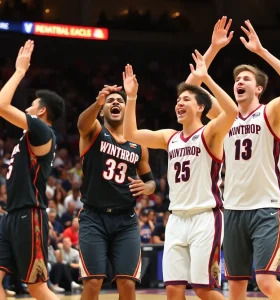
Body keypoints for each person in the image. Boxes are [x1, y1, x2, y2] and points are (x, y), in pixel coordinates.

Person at [122, 48, 238, 299]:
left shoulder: (210, 134)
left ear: (200, 107)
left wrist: (205, 78)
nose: (179, 103)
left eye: (186, 99)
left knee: (203, 289)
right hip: (176, 219)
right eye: (177, 101)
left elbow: (231, 113)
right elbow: (130, 134)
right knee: (173, 290)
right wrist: (131, 97)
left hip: (205, 217)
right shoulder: (169, 137)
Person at [220, 20, 280, 300]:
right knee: (236, 287)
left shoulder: (271, 113)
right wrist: (213, 50)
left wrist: (262, 52)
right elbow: (192, 92)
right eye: (237, 79)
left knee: (266, 282)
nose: (239, 82)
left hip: (266, 207)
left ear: (259, 89)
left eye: (246, 79)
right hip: (232, 208)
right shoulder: (224, 118)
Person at [77, 84, 156, 300]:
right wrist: (98, 102)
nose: (115, 102)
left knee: (127, 283)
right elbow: (81, 123)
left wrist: (147, 187)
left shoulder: (139, 143)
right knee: (93, 282)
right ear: (102, 111)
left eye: (120, 101)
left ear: (126, 109)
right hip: (94, 217)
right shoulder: (93, 131)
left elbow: (151, 182)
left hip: (126, 220)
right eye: (111, 101)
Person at [0, 40, 65, 300]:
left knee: (37, 288)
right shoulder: (28, 136)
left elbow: (2, 106)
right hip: (10, 216)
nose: (26, 109)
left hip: (30, 215)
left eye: (31, 105)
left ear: (42, 110)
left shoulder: (41, 129)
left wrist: (19, 72)